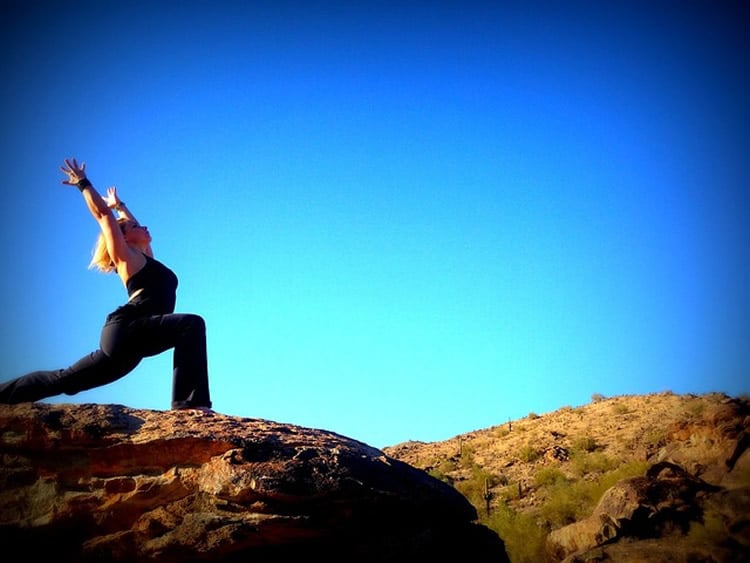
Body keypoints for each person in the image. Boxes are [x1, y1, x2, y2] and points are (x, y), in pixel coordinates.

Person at [0, 158, 212, 411]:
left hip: (132, 348)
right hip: (126, 329)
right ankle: (191, 405)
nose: (143, 226)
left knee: (66, 379)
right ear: (122, 236)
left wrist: (122, 206)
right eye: (135, 226)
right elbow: (104, 216)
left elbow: (129, 225)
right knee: (192, 325)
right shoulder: (126, 257)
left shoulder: (145, 258)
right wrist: (83, 183)